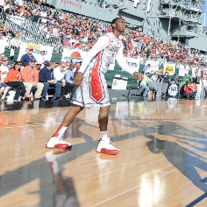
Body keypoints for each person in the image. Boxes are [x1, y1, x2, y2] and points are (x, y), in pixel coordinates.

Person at [45, 18, 143, 155]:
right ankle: (103, 142)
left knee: (78, 107)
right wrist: (80, 72)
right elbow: (90, 53)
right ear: (113, 24)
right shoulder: (106, 38)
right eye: (121, 22)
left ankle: (55, 138)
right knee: (105, 105)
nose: (124, 24)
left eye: (125, 23)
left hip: (95, 73)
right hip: (94, 73)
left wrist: (133, 72)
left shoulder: (119, 43)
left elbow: (120, 61)